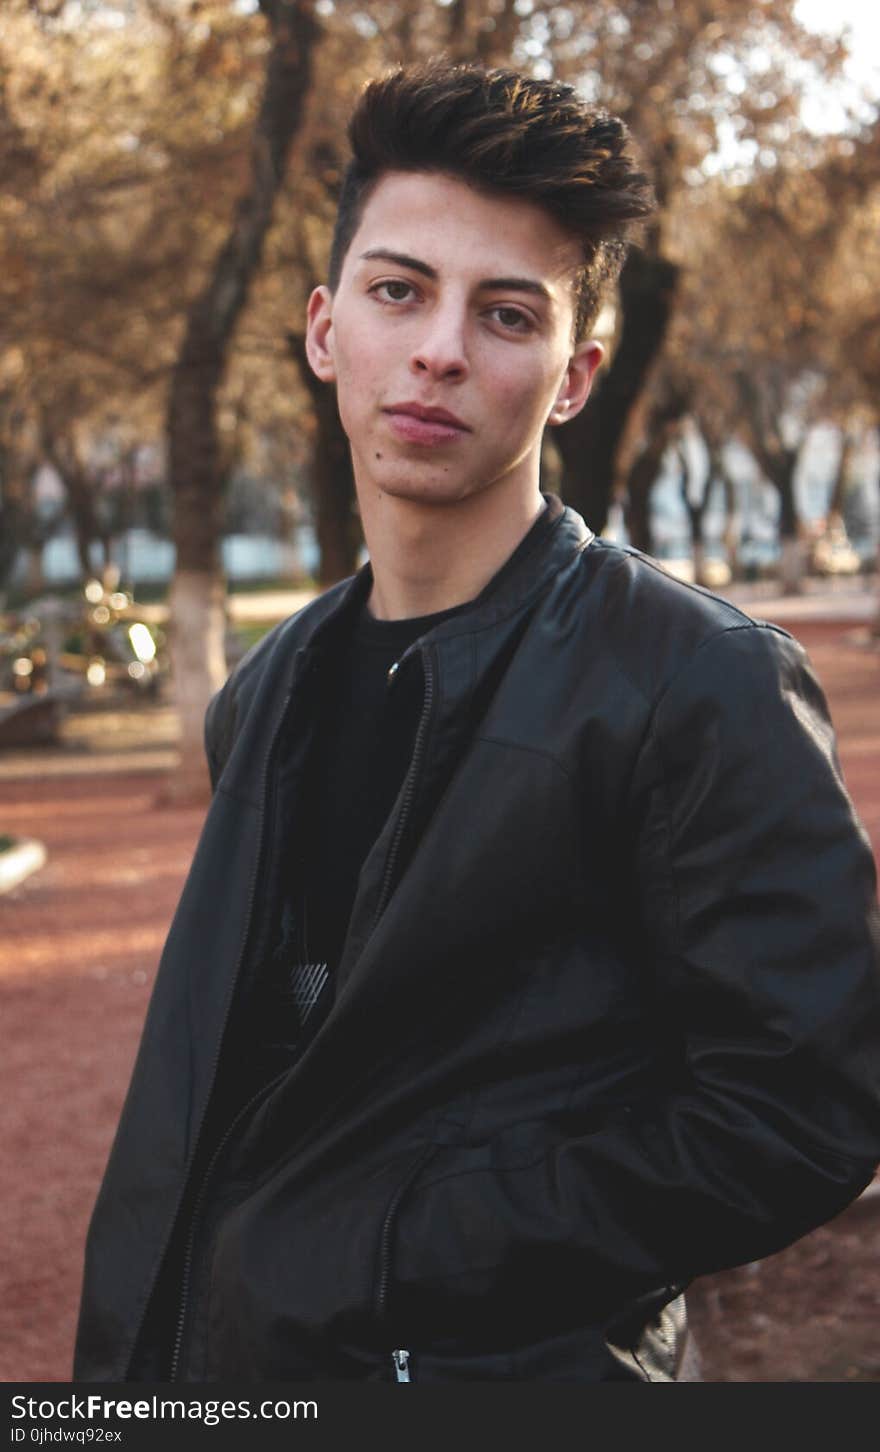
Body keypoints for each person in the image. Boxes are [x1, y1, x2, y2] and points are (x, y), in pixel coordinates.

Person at [74, 60, 880, 1385]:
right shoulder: (260, 697)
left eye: (507, 314)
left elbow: (799, 1113)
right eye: (401, 292)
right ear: (328, 330)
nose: (441, 348)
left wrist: (399, 1253)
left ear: (574, 376)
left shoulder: (700, 686)